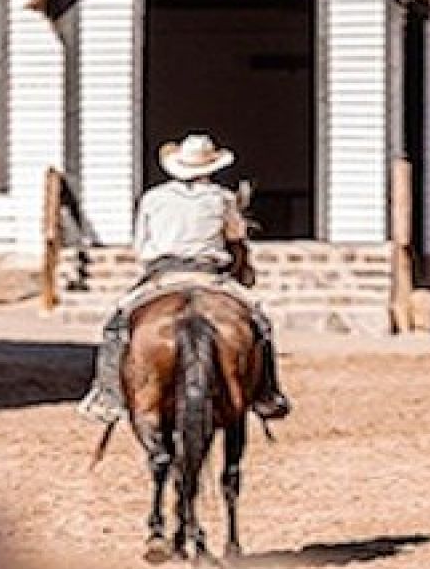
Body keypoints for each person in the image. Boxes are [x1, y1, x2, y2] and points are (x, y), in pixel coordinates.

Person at [77, 133, 291, 424]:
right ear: (212, 168)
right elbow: (235, 238)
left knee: (116, 325)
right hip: (209, 274)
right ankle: (268, 394)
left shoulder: (153, 198)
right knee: (259, 323)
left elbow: (141, 247)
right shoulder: (223, 199)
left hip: (163, 273)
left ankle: (107, 394)